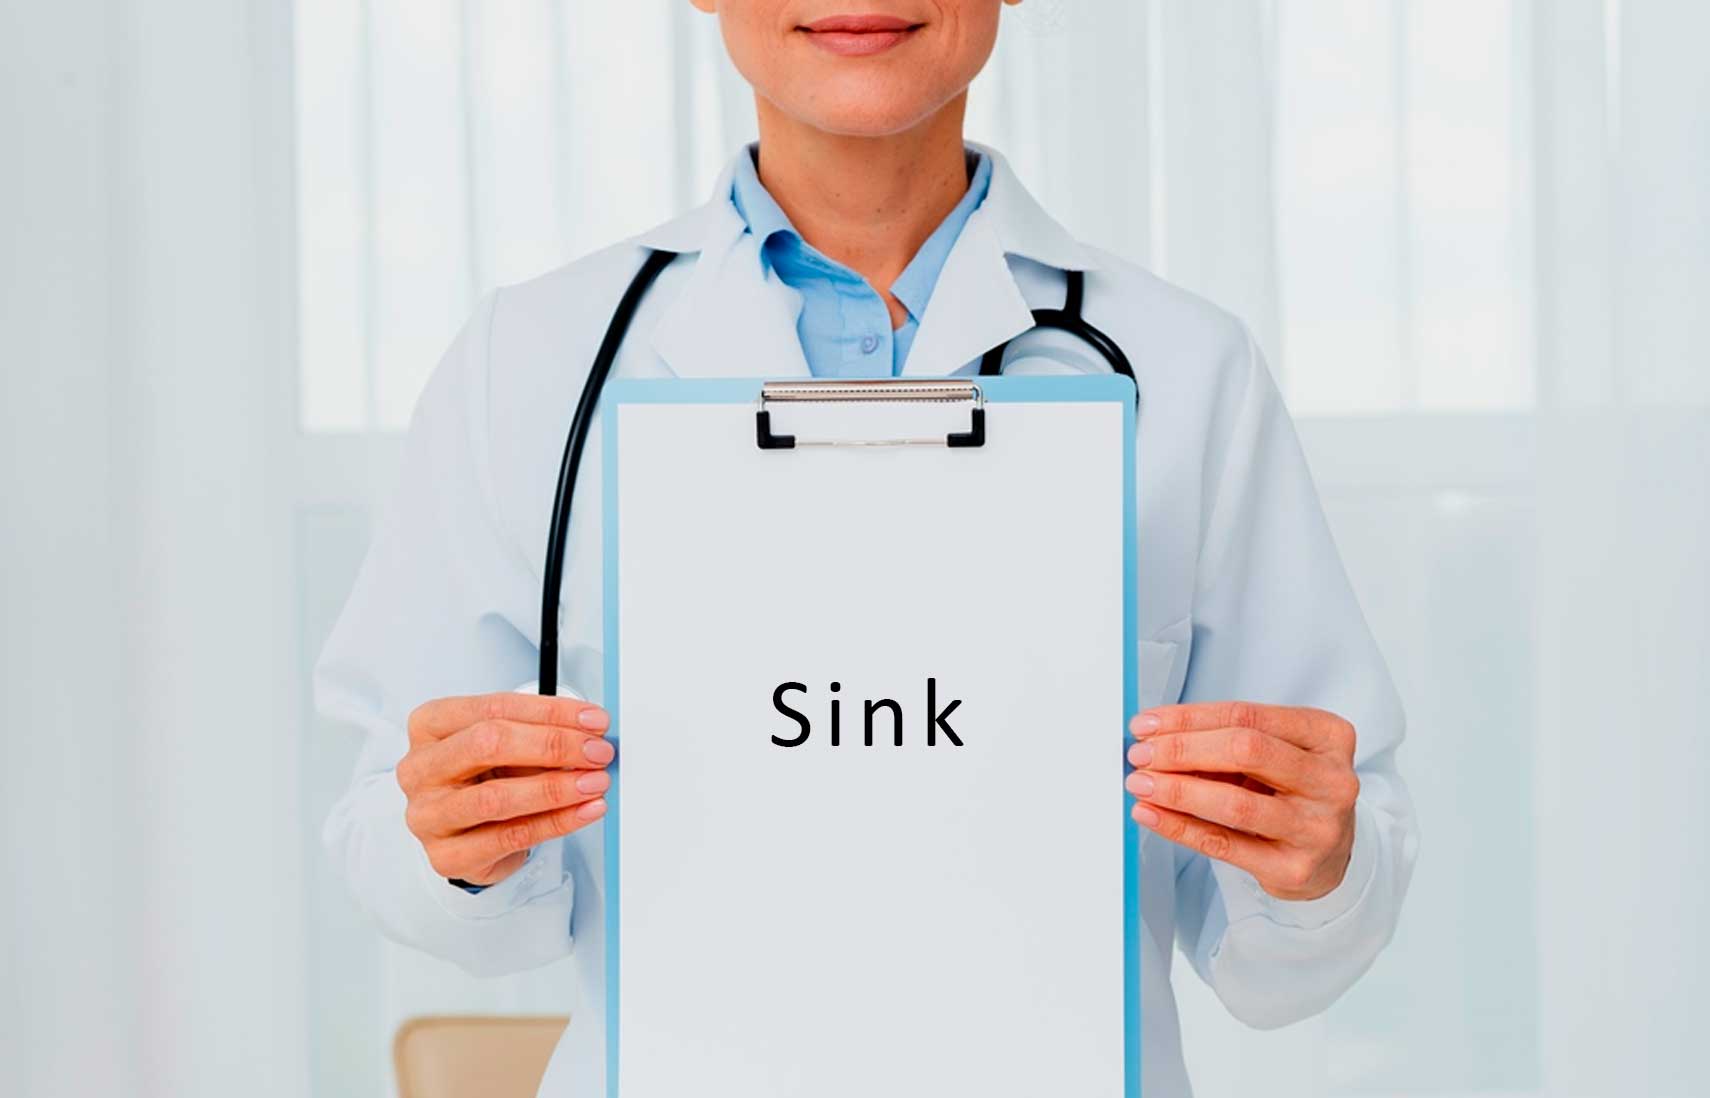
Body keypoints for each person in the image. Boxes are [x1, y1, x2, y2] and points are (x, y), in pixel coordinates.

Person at [317, 2, 1418, 1094]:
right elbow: (391, 833)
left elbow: (1294, 936)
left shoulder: (1185, 368)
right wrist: (459, 841)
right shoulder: (532, 360)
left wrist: (1316, 863)